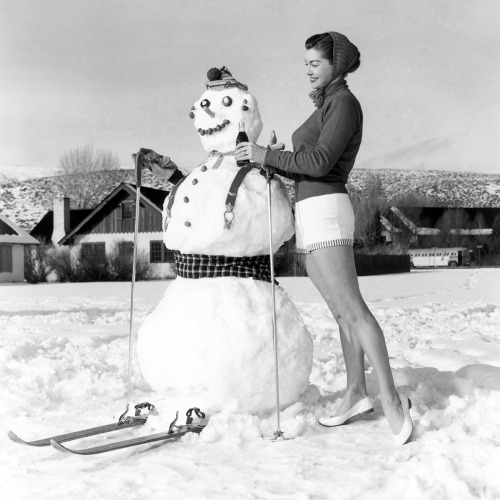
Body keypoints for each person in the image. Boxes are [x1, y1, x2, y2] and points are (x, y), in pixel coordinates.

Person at [235, 31, 413, 445]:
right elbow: (305, 165)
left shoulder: (344, 104)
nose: (308, 70)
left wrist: (268, 156)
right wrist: (272, 159)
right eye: (306, 64)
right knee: (340, 314)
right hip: (311, 212)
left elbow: (320, 162)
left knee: (354, 311)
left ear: (337, 63)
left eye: (315, 63)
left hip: (328, 212)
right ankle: (355, 393)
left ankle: (390, 399)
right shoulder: (330, 104)